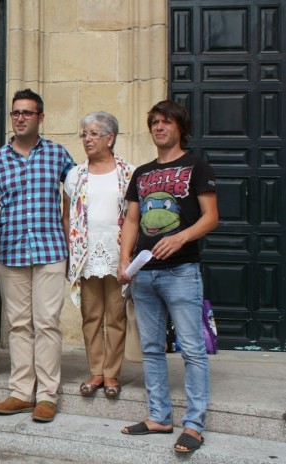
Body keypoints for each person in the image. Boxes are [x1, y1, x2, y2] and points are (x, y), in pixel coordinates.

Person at [117, 100, 218, 455]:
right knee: (150, 349)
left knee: (192, 349)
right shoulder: (141, 173)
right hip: (144, 274)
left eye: (167, 122)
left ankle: (194, 424)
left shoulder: (196, 164)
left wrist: (180, 236)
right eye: (155, 122)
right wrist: (125, 260)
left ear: (179, 127)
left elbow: (211, 217)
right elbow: (131, 220)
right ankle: (159, 416)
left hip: (181, 271)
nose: (160, 127)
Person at [0, 88, 76, 422]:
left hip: (50, 249)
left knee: (46, 323)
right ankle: (21, 392)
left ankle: (47, 396)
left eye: (27, 113)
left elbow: (80, 193)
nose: (19, 118)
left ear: (40, 118)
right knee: (18, 324)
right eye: (15, 113)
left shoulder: (58, 155)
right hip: (11, 249)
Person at [62, 112, 134, 399]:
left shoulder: (129, 172)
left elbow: (134, 217)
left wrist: (128, 256)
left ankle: (112, 374)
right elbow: (67, 216)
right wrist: (72, 250)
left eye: (93, 133)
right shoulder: (75, 174)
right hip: (86, 256)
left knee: (116, 317)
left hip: (118, 254)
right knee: (91, 316)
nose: (87, 139)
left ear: (110, 137)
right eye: (84, 134)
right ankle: (95, 372)